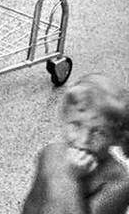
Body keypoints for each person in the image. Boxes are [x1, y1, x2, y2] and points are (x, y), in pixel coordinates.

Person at [22, 74, 129, 214]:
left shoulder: (118, 182)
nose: (83, 141)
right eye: (76, 125)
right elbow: (31, 208)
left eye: (99, 132)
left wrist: (69, 176)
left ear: (115, 137)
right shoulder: (51, 153)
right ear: (64, 117)